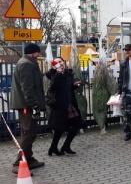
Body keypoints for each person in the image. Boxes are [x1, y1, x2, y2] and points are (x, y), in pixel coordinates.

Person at [10, 43, 46, 174]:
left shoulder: (27, 63)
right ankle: (18, 163)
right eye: (38, 52)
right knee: (28, 133)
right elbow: (27, 88)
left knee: (30, 132)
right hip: (27, 105)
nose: (39, 54)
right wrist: (34, 105)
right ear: (33, 52)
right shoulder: (26, 64)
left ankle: (29, 160)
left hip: (27, 105)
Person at [45, 57, 83, 156]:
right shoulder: (53, 75)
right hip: (60, 105)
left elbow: (68, 88)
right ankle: (53, 148)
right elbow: (55, 87)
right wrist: (58, 73)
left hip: (70, 104)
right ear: (54, 65)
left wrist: (74, 85)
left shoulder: (68, 74)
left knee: (76, 125)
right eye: (56, 62)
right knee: (59, 128)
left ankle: (65, 146)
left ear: (64, 62)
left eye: (60, 62)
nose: (59, 64)